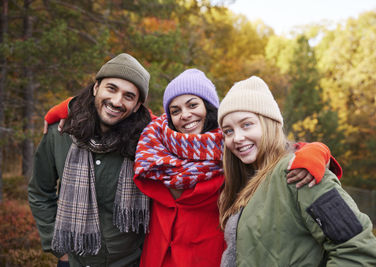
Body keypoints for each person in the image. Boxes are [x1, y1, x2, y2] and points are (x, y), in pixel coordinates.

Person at [132, 69, 341, 267]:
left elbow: (280, 152)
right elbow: (125, 117)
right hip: (156, 258)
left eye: (193, 105)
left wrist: (317, 151)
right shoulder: (154, 147)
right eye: (175, 110)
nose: (184, 115)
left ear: (208, 107)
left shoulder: (231, 149)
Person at [217, 76, 376, 266]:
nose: (237, 137)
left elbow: (359, 251)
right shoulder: (244, 182)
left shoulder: (301, 174)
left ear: (270, 123)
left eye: (246, 124)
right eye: (228, 131)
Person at [28, 53, 152, 267]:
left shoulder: (149, 143)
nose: (116, 101)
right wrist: (58, 250)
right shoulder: (60, 133)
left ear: (138, 105)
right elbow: (40, 192)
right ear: (96, 88)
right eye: (111, 88)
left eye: (128, 96)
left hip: (129, 261)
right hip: (73, 261)